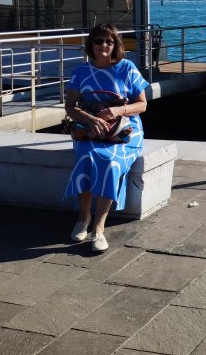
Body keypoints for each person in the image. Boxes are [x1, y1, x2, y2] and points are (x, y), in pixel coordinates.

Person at [63, 23, 149, 253]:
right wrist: (91, 119)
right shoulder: (80, 72)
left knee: (111, 162)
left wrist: (117, 111)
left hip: (123, 130)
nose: (104, 45)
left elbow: (143, 104)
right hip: (91, 128)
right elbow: (70, 107)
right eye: (99, 41)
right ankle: (83, 219)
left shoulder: (127, 68)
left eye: (109, 42)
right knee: (87, 156)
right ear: (91, 44)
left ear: (116, 45)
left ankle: (99, 227)